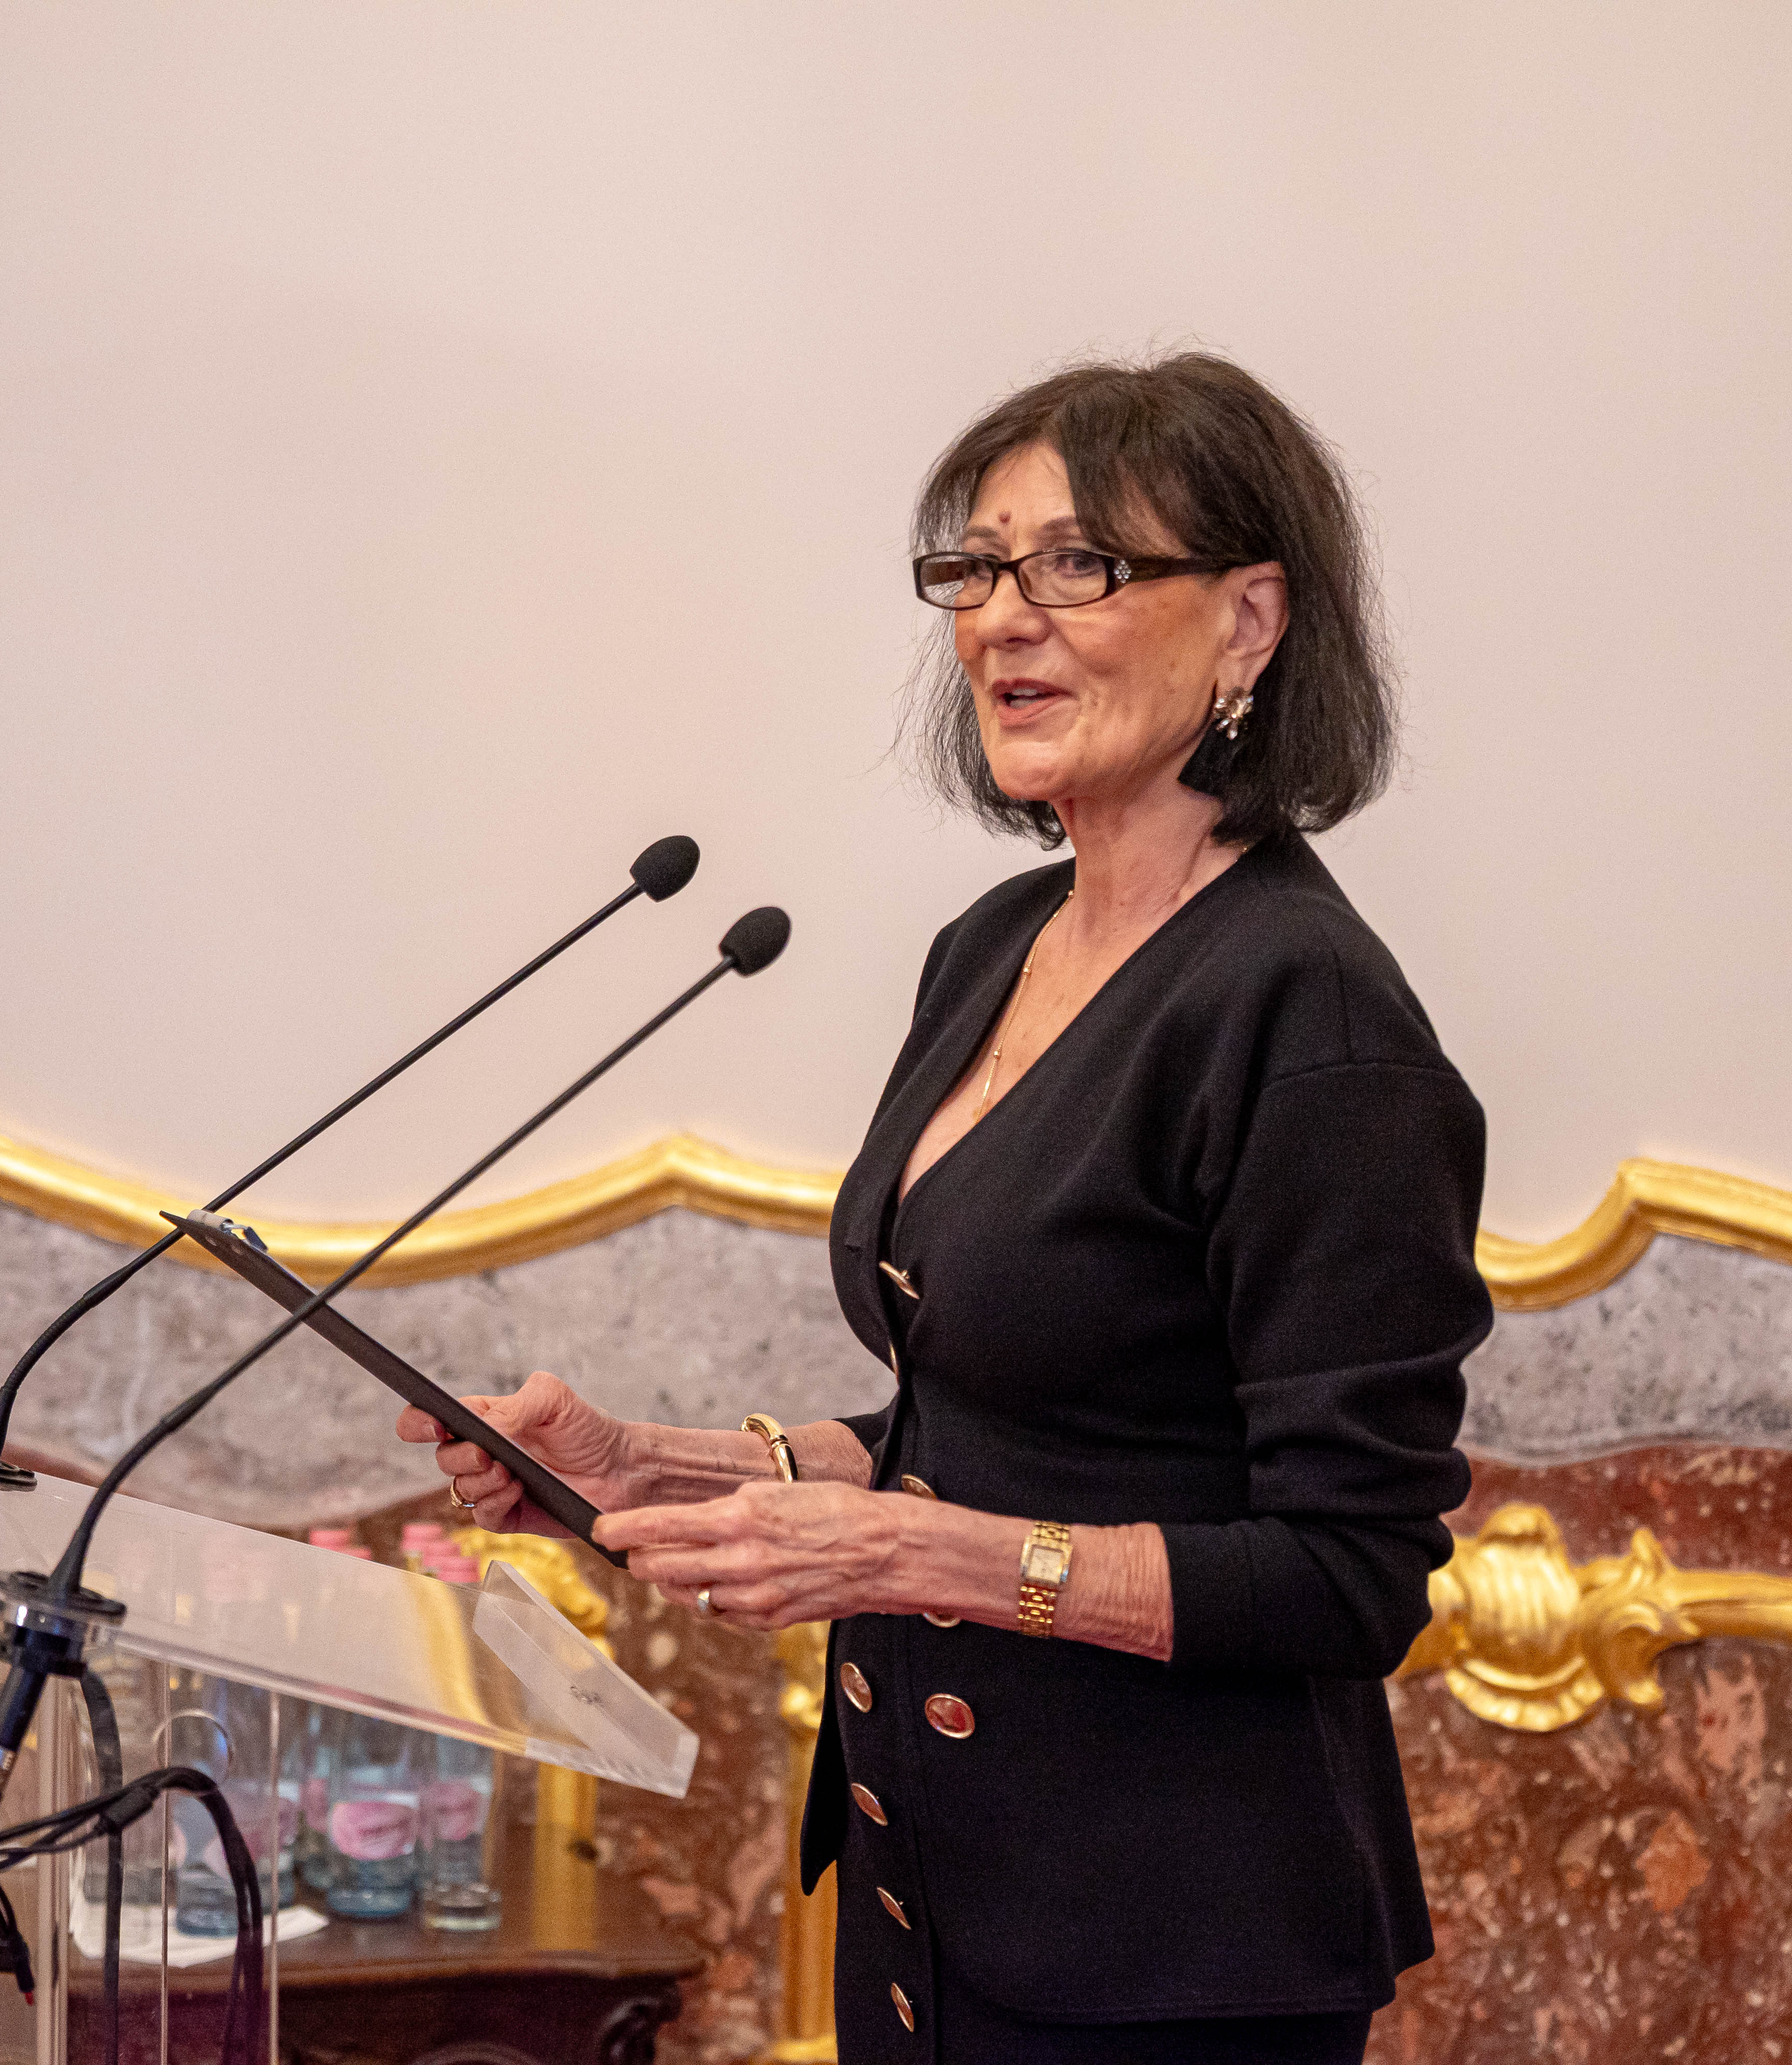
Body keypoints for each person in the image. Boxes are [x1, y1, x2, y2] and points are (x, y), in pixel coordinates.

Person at [401, 352, 1486, 2063]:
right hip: (937, 1881)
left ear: (1250, 622)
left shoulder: (1312, 1018)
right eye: (976, 568)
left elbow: (1351, 1576)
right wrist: (664, 1467)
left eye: (1079, 565)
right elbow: (1006, 1418)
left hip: (1170, 1956)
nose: (1002, 621)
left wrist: (911, 1558)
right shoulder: (995, 947)